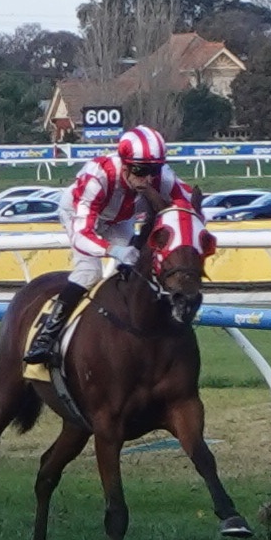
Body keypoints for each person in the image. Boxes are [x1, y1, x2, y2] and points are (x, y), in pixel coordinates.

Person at [26, 125, 199, 366]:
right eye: (140, 170)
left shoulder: (160, 176)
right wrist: (112, 250)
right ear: (125, 165)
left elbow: (188, 204)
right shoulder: (98, 176)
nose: (148, 178)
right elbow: (82, 234)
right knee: (90, 272)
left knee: (138, 267)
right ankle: (46, 337)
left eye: (154, 170)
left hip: (119, 218)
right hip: (80, 216)